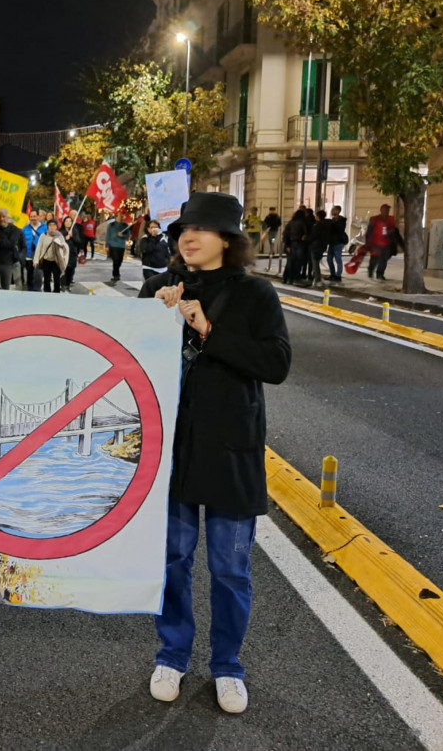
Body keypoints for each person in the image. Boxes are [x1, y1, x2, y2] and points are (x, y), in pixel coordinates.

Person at [139, 191, 291, 717]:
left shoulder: (255, 295)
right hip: (173, 448)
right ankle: (172, 654)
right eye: (183, 228)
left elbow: (275, 363)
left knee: (230, 567)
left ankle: (227, 665)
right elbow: (128, 362)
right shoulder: (159, 286)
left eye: (201, 228)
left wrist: (207, 329)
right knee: (173, 559)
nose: (188, 236)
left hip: (230, 448)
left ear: (228, 239)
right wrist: (154, 319)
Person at [366, 204, 404, 280]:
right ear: (381, 210)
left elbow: (395, 232)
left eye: (388, 210)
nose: (386, 211)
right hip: (376, 243)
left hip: (387, 244)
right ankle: (371, 270)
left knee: (384, 259)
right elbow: (369, 232)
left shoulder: (391, 219)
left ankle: (380, 274)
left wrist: (401, 244)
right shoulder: (374, 219)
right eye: (385, 210)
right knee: (374, 258)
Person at [33, 219, 69, 293]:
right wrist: (36, 260)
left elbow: (65, 249)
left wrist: (62, 245)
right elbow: (39, 248)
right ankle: (47, 294)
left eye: (54, 225)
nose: (52, 227)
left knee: (57, 279)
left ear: (56, 227)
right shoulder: (43, 236)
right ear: (47, 226)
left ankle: (56, 294)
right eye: (50, 225)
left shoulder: (59, 236)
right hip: (46, 261)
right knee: (46, 279)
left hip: (56, 261)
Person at [0, 208, 24, 290]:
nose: (1, 219)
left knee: (5, 288)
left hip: (7, 264)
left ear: (7, 217)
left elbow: (11, 244)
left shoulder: (15, 230)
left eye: (3, 217)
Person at [281, 209, 309, 285]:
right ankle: (294, 278)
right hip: (299, 244)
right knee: (298, 262)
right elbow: (305, 234)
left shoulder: (290, 223)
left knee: (290, 262)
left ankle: (286, 278)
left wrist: (287, 245)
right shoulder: (303, 223)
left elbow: (285, 234)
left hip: (291, 243)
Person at [22, 209, 48, 292]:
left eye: (34, 216)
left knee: (38, 274)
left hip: (40, 255)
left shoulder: (45, 227)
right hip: (28, 254)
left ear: (38, 216)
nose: (33, 218)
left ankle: (37, 290)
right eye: (31, 217)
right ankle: (29, 290)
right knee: (29, 274)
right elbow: (21, 241)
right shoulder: (25, 228)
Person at [104, 213, 131, 285]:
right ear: (116, 216)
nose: (121, 217)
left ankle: (116, 271)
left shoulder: (125, 226)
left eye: (122, 216)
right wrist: (107, 245)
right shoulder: (111, 225)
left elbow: (127, 235)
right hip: (113, 245)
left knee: (120, 260)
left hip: (121, 245)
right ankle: (116, 275)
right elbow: (108, 236)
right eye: (120, 215)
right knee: (115, 260)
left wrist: (122, 235)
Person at [308, 210, 332, 287]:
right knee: (317, 262)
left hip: (316, 246)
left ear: (318, 216)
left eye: (316, 215)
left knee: (315, 263)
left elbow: (313, 235)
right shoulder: (327, 224)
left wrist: (306, 238)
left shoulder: (317, 225)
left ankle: (317, 280)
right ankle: (316, 279)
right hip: (322, 246)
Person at [327, 205, 348, 281]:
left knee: (338, 258)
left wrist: (332, 224)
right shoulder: (333, 220)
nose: (332, 211)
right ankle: (332, 274)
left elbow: (339, 230)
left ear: (338, 211)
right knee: (329, 259)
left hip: (338, 242)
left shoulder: (341, 220)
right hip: (332, 242)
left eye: (333, 210)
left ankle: (338, 275)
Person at [61, 216, 81, 292]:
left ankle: (68, 285)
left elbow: (78, 242)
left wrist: (72, 236)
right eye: (66, 221)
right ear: (64, 223)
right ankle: (62, 284)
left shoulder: (74, 231)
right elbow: (58, 241)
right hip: (63, 254)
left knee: (71, 270)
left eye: (70, 221)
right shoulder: (61, 232)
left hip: (72, 254)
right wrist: (65, 238)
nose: (68, 223)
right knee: (63, 270)